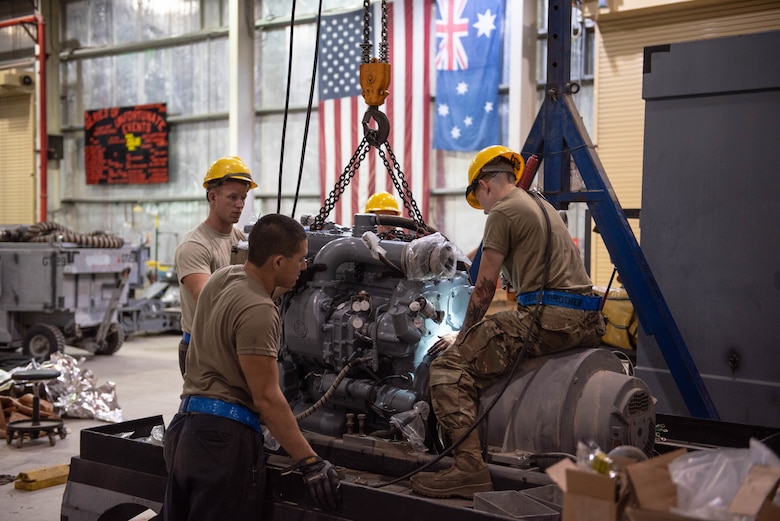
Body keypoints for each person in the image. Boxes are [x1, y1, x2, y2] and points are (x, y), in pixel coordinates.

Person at [410, 145, 605, 499]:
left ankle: (469, 469)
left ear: (484, 185)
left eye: (478, 199)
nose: (482, 207)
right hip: (585, 318)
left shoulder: (502, 211)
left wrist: (462, 337)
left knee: (447, 371)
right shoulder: (540, 204)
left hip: (549, 319)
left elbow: (484, 290)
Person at [162, 213, 341, 520]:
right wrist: (309, 461)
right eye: (299, 260)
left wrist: (297, 279)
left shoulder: (223, 278)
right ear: (277, 262)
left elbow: (251, 291)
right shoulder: (261, 311)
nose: (303, 267)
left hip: (184, 432)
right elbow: (267, 398)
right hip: (222, 444)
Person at [174, 156, 257, 376]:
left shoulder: (242, 240)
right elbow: (207, 300)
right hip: (202, 349)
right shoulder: (195, 245)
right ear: (212, 197)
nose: (240, 204)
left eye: (243, 197)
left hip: (231, 346)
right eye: (232, 197)